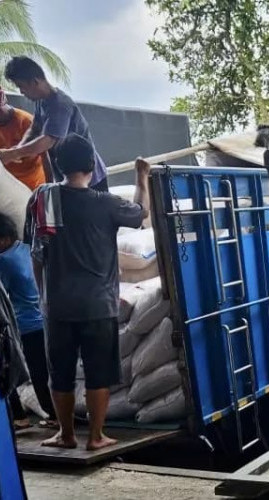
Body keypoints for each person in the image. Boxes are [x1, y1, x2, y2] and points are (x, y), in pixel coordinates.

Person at [25, 134, 149, 451]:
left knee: (60, 373)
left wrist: (44, 295)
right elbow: (141, 213)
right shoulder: (106, 203)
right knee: (98, 373)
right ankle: (96, 436)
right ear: (92, 165)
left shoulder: (44, 198)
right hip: (98, 305)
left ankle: (66, 434)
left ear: (55, 163)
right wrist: (141, 177)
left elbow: (37, 253)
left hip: (58, 305)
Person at [0, 56, 108, 191]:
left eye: (21, 86)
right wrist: (18, 149)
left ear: (35, 82)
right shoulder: (41, 101)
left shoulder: (60, 105)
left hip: (88, 178)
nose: (21, 92)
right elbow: (34, 129)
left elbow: (47, 141)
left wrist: (14, 154)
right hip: (67, 177)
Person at [0, 213, 55, 429]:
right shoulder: (25, 249)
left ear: (4, 239)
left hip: (23, 325)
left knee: (14, 369)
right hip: (43, 319)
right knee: (45, 369)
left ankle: (25, 416)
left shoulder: (4, 260)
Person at [0, 86, 45, 190]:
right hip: (6, 189)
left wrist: (50, 191)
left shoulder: (27, 122)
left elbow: (46, 157)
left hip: (33, 188)